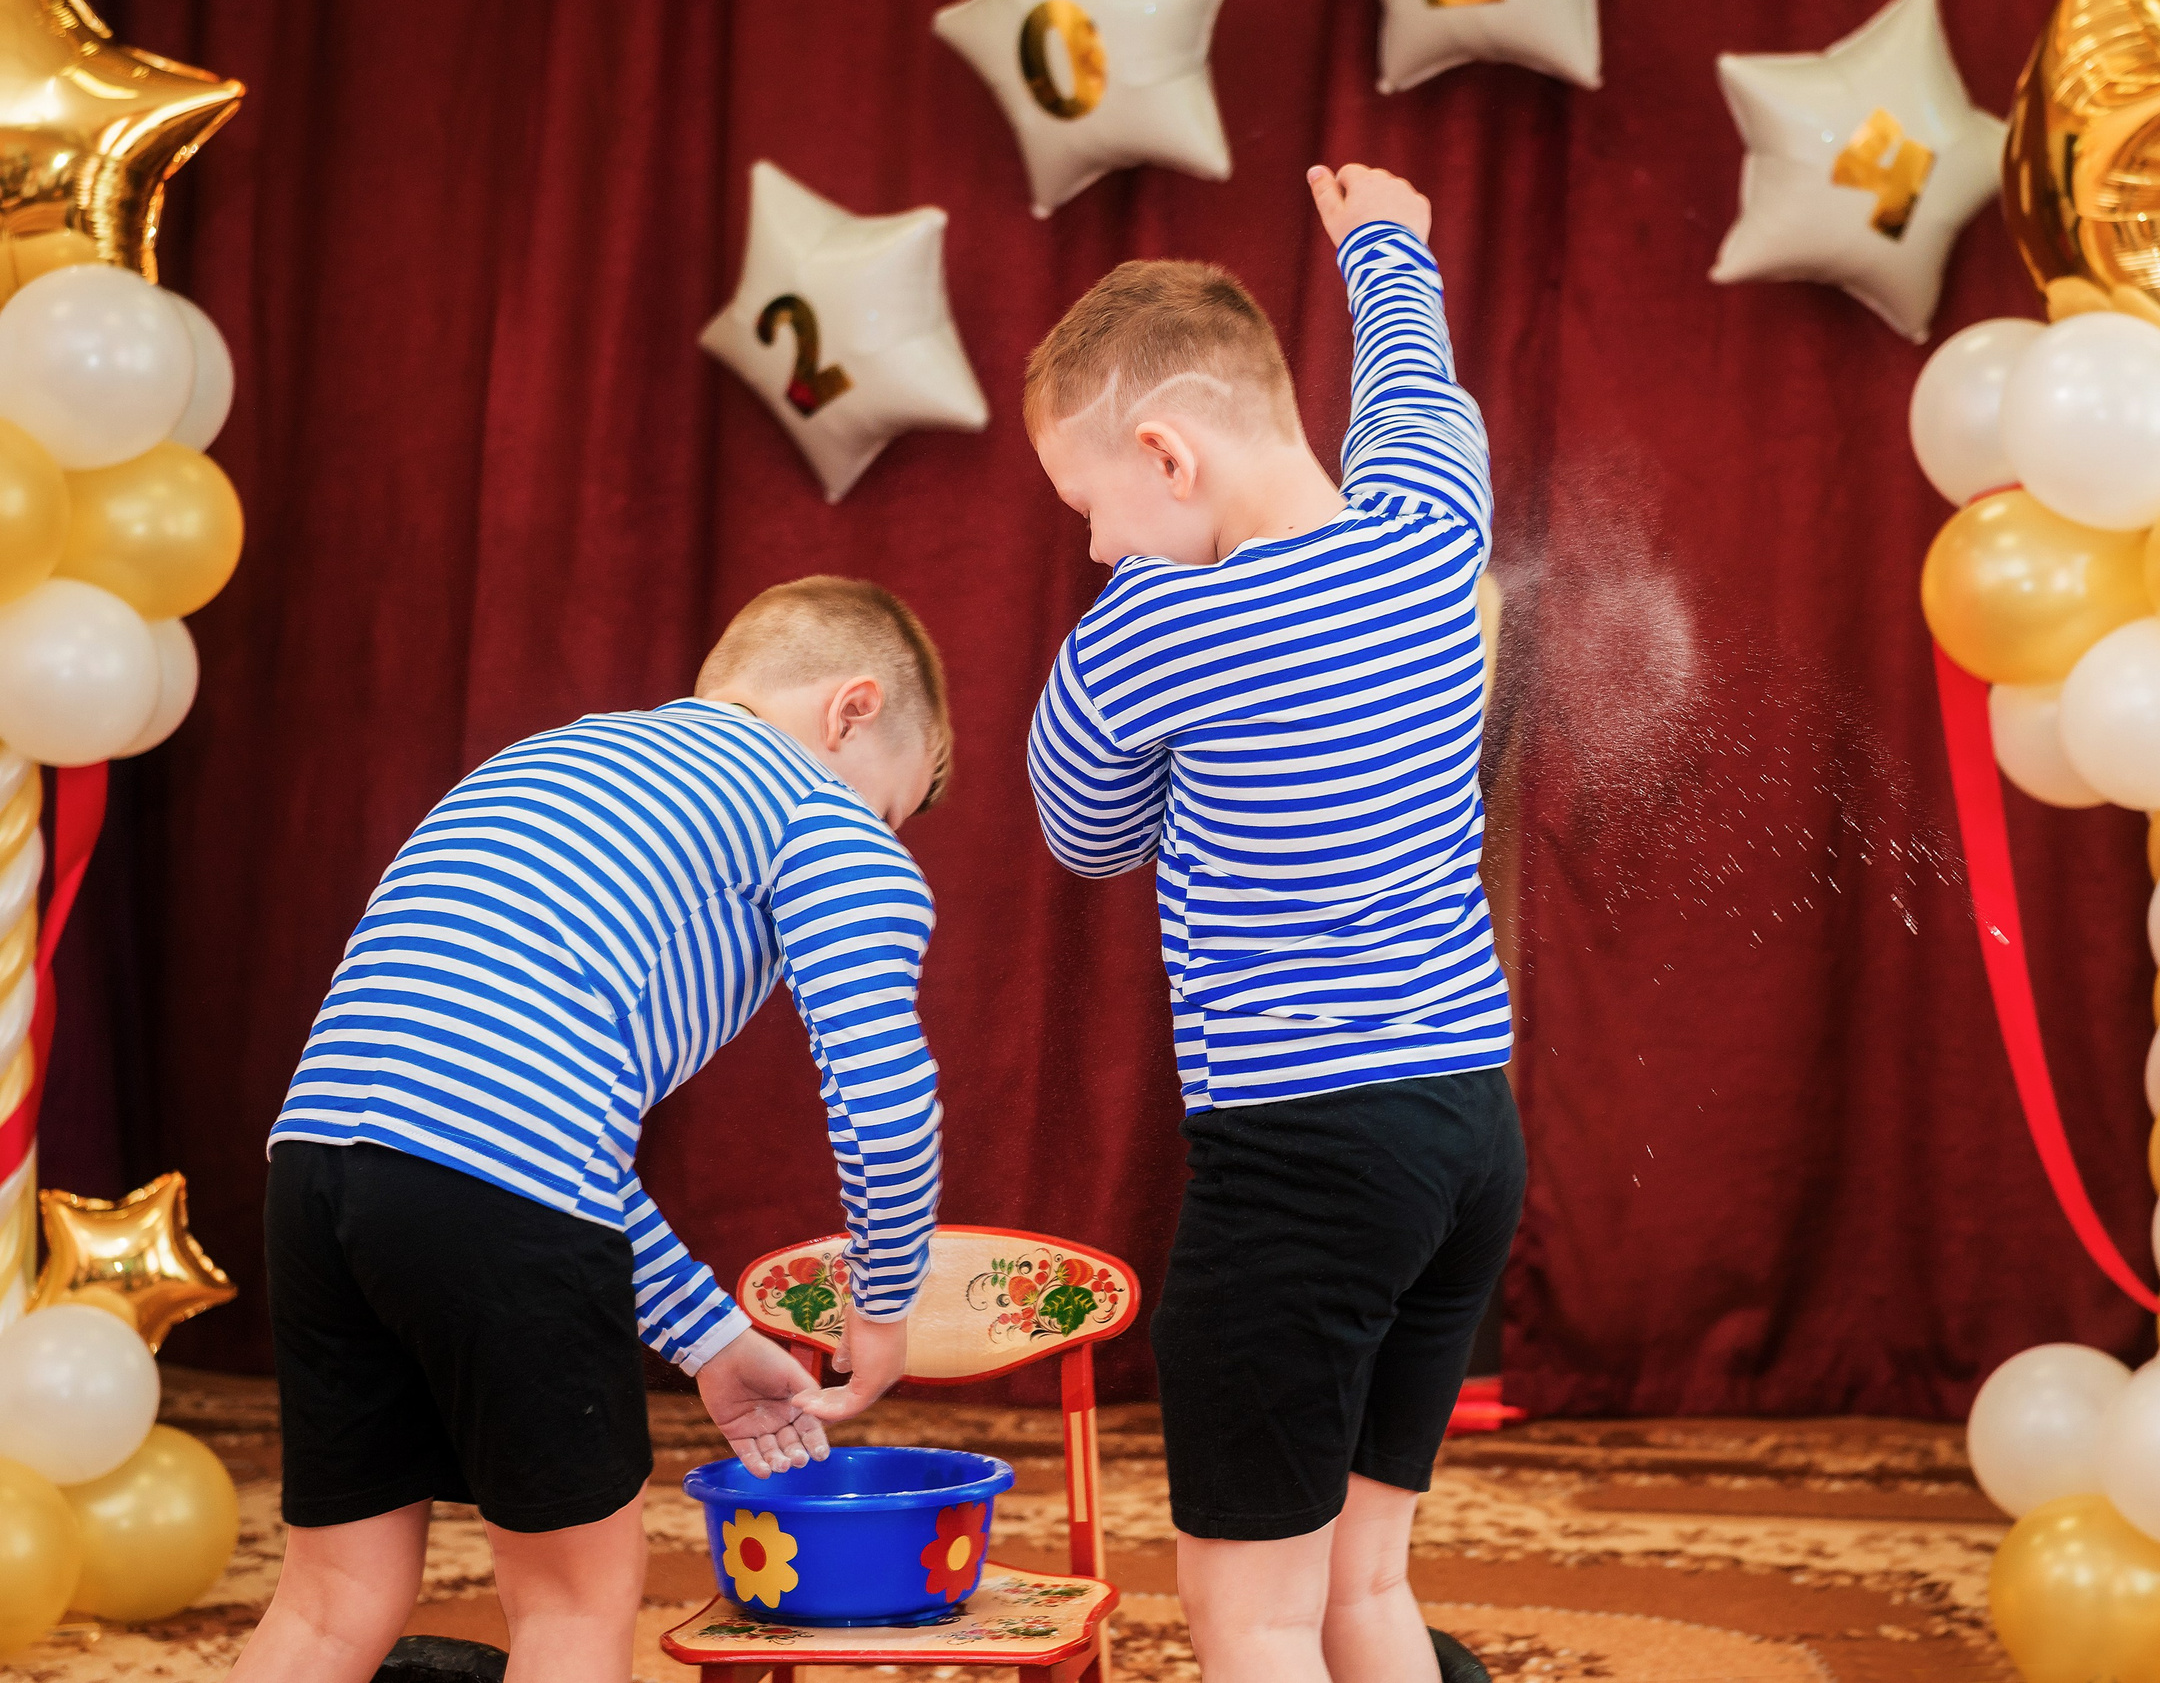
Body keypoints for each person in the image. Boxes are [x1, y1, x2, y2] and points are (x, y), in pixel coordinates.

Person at [229, 576, 950, 1683]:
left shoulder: (549, 760)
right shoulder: (816, 810)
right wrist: (885, 1302)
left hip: (315, 1170)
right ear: (851, 710)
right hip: (491, 1188)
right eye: (891, 808)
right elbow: (882, 1100)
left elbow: (539, 1147)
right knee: (574, 1600)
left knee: (332, 1598)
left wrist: (709, 1338)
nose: (882, 834)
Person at [1025, 163, 1522, 1683]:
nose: (1095, 550)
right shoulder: (1434, 527)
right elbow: (1414, 389)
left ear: (1165, 455)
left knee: (1254, 1620)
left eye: (1090, 509)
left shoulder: (1149, 624)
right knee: (1366, 1587)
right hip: (1465, 1133)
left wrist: (1179, 775)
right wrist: (1384, 246)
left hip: (1302, 1158)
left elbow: (1081, 831)